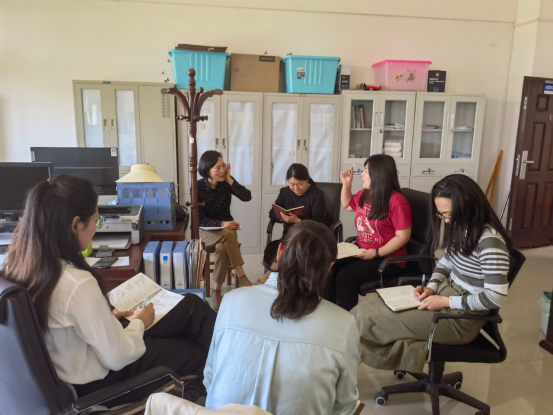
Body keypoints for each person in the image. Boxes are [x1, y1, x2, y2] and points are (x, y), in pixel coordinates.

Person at [0, 175, 216, 403]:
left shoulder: (16, 266)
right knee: (197, 350)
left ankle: (229, 361)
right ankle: (208, 393)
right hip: (100, 380)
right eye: (96, 220)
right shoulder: (75, 283)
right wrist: (138, 323)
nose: (96, 227)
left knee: (191, 305)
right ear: (75, 225)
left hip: (81, 360)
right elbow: (118, 357)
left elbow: (63, 328)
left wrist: (108, 318)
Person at [351, 174, 512, 374]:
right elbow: (446, 262)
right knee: (360, 311)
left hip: (460, 319)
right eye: (442, 215)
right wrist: (431, 287)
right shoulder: (463, 228)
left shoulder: (490, 243)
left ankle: (341, 377)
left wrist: (445, 301)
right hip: (445, 296)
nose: (447, 221)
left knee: (366, 321)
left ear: (469, 206)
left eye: (449, 214)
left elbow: (495, 298)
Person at [204, 220, 360, 415]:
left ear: (279, 252)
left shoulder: (230, 301)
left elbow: (209, 378)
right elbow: (344, 407)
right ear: (329, 267)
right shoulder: (344, 324)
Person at [329, 154, 412, 311]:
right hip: (363, 251)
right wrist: (346, 184)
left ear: (378, 174)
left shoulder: (397, 201)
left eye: (366, 171)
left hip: (389, 259)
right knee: (328, 265)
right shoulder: (366, 193)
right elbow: (347, 206)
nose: (362, 174)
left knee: (346, 277)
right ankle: (331, 312)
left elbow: (403, 236)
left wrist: (376, 253)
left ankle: (348, 319)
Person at [197, 151, 253, 308]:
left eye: (224, 166)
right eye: (217, 168)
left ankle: (216, 291)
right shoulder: (198, 186)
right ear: (207, 169)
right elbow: (199, 219)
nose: (222, 170)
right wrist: (222, 223)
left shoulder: (226, 182)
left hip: (225, 232)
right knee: (228, 234)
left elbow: (247, 196)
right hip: (205, 231)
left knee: (222, 247)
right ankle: (241, 275)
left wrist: (229, 179)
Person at [263, 163, 326, 269]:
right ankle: (273, 275)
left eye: (299, 184)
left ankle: (283, 275)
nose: (296, 188)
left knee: (291, 251)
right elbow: (272, 214)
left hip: (309, 236)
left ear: (307, 180)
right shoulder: (285, 192)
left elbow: (319, 221)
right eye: (292, 184)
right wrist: (283, 217)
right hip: (289, 235)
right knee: (273, 249)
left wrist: (298, 221)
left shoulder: (317, 194)